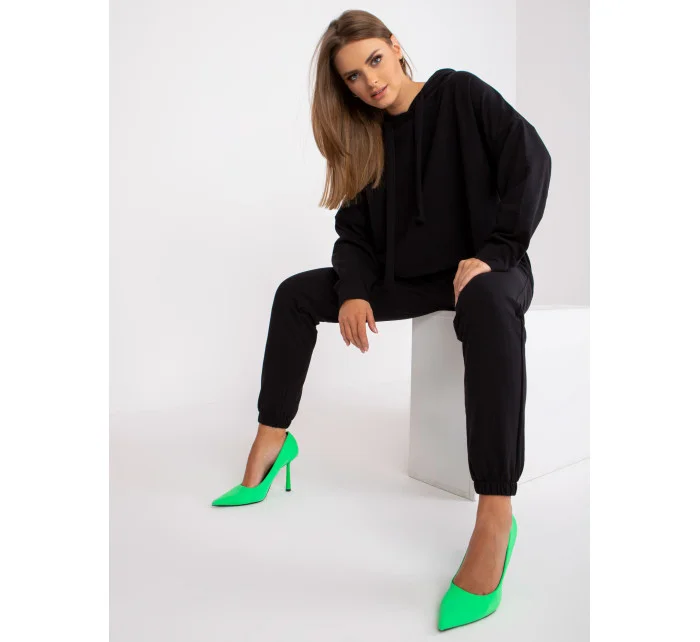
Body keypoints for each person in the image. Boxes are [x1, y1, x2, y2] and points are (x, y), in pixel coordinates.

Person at [211, 9, 551, 631]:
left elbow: (531, 159)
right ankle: (272, 441)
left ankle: (495, 514)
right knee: (294, 294)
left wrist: (497, 252)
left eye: (374, 60)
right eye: (352, 76)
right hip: (412, 281)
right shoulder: (367, 138)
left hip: (486, 270)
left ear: (395, 47)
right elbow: (353, 235)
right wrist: (353, 292)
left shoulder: (460, 93)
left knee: (487, 302)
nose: (370, 81)